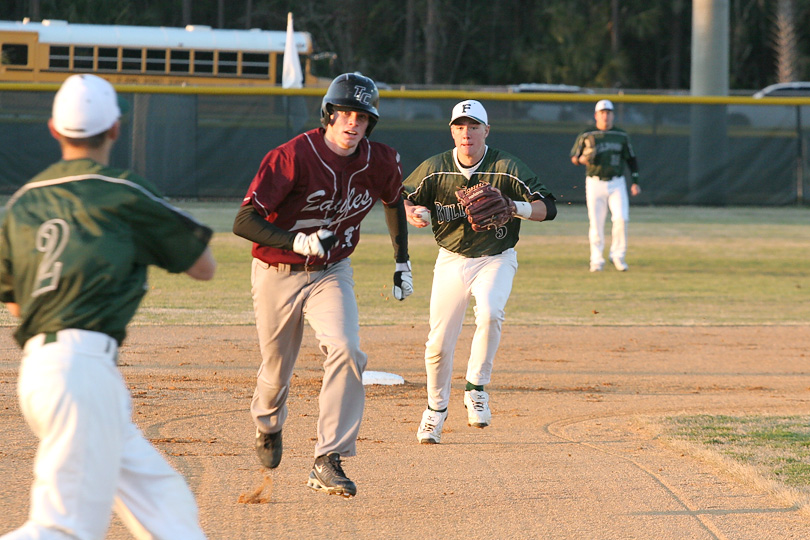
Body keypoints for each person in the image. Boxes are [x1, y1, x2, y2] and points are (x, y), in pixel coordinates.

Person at [0, 74, 216, 539]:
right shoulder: (124, 191)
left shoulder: (21, 203)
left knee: (167, 506)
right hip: (81, 373)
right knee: (63, 529)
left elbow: (16, 303)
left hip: (47, 371)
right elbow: (203, 266)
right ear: (116, 128)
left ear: (54, 130)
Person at [232, 72, 412, 497]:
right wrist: (296, 239)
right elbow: (243, 221)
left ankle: (327, 457)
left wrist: (402, 260)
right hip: (277, 271)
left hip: (332, 271)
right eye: (345, 113)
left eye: (362, 117)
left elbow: (393, 202)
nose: (353, 123)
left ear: (371, 123)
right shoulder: (293, 156)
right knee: (276, 370)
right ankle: (268, 423)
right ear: (329, 115)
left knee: (348, 349)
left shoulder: (380, 160)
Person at [403, 99, 557, 444]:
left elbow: (548, 208)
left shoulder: (505, 166)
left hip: (497, 257)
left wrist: (514, 206)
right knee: (438, 343)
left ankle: (476, 387)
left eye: (474, 127)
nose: (466, 133)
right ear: (452, 131)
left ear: (486, 131)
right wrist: (412, 210)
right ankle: (435, 411)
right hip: (451, 258)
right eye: (460, 126)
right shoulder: (436, 168)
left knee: (490, 312)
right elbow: (401, 196)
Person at [570, 99, 641, 272]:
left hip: (617, 182)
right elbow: (574, 157)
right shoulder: (587, 134)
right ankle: (596, 259)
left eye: (608, 113)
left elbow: (631, 160)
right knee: (596, 222)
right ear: (596, 115)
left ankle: (617, 255)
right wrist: (582, 159)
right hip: (595, 182)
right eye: (602, 112)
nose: (605, 116)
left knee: (621, 218)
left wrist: (635, 182)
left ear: (613, 115)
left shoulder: (621, 135)